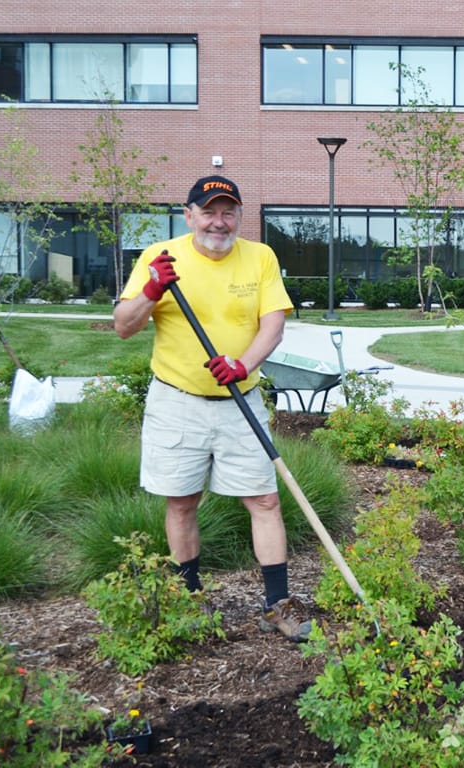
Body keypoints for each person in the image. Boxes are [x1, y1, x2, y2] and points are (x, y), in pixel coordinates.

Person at [113, 175, 308, 642]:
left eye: (228, 212)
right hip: (177, 401)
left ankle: (277, 605)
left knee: (264, 499)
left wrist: (242, 364)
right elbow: (123, 326)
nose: (218, 222)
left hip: (240, 401)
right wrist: (152, 291)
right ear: (189, 215)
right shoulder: (160, 258)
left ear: (239, 216)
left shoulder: (260, 257)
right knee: (181, 502)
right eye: (209, 211)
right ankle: (190, 600)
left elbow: (273, 325)